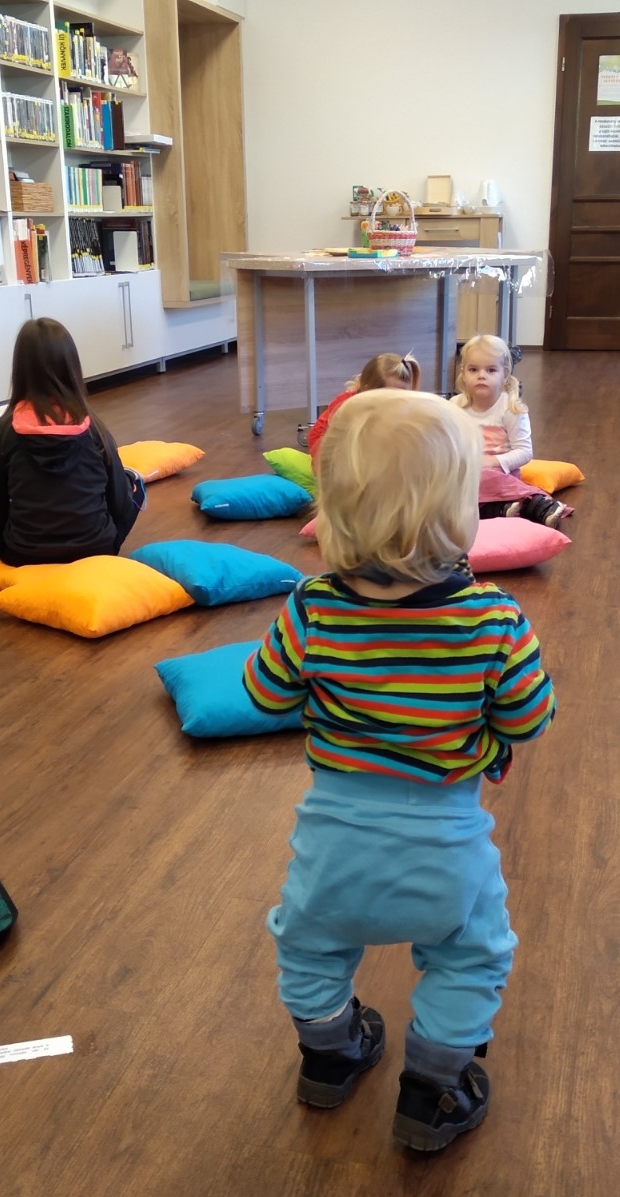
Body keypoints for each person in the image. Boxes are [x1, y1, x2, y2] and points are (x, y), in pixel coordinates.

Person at [243, 390, 556, 1153]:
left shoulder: (312, 607)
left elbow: (264, 693)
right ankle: (432, 1090)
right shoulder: (493, 617)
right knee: (474, 953)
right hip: (447, 853)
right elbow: (529, 718)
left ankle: (329, 1054)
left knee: (307, 945)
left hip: (332, 852)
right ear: (459, 512)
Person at [0, 318, 143, 565]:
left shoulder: (2, 432)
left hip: (23, 554)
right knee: (134, 483)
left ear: (20, 370)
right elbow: (120, 506)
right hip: (98, 548)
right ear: (72, 367)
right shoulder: (95, 429)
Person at [452, 334, 572, 528]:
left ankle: (539, 505)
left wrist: (491, 462)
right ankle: (503, 508)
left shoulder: (511, 409)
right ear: (463, 373)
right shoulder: (454, 406)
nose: (481, 375)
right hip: (465, 472)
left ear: (505, 375)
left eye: (491, 370)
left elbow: (524, 452)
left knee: (483, 479)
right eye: (473, 369)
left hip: (498, 474)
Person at [305, 351, 420, 463]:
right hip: (324, 449)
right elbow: (330, 446)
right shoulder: (348, 406)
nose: (398, 401)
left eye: (403, 395)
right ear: (367, 390)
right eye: (391, 396)